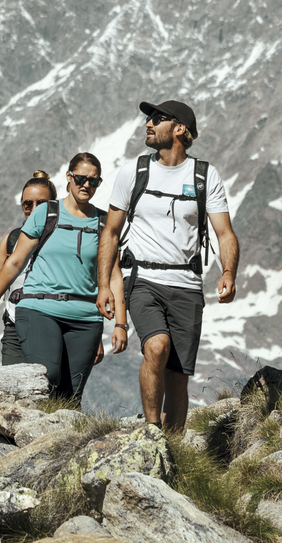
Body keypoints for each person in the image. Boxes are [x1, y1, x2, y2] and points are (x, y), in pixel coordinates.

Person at [96, 99, 239, 432]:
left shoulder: (205, 176)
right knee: (156, 346)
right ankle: (150, 434)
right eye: (149, 118)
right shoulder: (134, 171)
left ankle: (172, 449)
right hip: (142, 279)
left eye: (158, 118)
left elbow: (224, 233)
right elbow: (111, 232)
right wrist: (104, 283)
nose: (148, 123)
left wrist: (228, 271)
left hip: (187, 286)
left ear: (180, 129)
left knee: (177, 379)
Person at [0, 153, 127, 400]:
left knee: (70, 396)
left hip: (85, 318)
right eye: (80, 178)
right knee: (46, 376)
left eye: (94, 181)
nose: (86, 185)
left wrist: (120, 323)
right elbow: (14, 262)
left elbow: (114, 275)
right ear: (68, 177)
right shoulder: (46, 213)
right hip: (39, 308)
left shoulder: (103, 223)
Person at [0, 172, 56, 365]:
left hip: (54, 324)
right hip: (14, 328)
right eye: (28, 204)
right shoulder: (11, 240)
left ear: (53, 206)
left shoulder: (61, 239)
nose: (34, 209)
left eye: (41, 203)